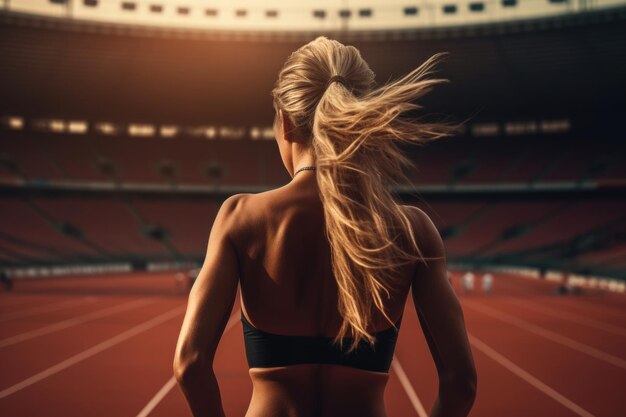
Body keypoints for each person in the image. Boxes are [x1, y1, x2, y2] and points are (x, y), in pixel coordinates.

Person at [173, 36, 477, 417]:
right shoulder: (412, 230)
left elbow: (189, 363)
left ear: (284, 123)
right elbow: (461, 382)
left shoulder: (240, 218)